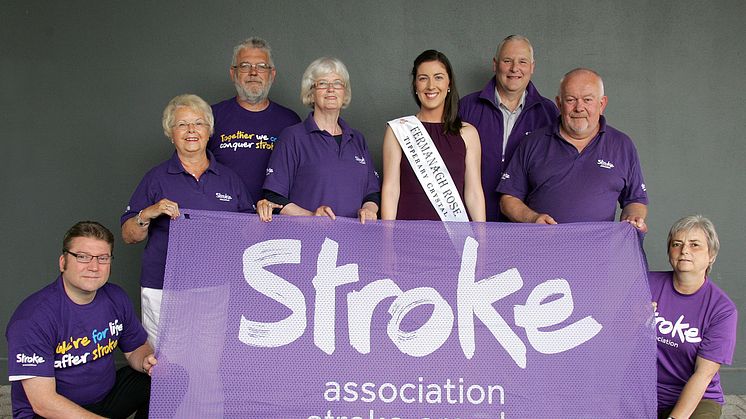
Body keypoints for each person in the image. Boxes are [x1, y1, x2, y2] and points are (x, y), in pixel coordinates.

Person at [121, 94, 254, 345]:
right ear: (170, 133)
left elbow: (249, 232)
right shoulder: (156, 178)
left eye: (198, 123)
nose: (191, 130)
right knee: (164, 363)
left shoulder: (228, 178)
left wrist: (265, 215)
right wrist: (148, 213)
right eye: (182, 125)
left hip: (214, 288)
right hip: (163, 287)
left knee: (208, 360)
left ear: (209, 131)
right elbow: (128, 236)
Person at [6, 221, 156, 419]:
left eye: (103, 258)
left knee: (163, 379)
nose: (94, 267)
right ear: (63, 262)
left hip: (104, 400)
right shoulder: (33, 318)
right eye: (83, 257)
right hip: (49, 413)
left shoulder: (116, 297)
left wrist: (146, 361)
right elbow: (44, 404)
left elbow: (136, 348)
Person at [497, 68, 648, 231]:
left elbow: (635, 200)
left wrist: (633, 218)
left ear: (602, 104)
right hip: (541, 251)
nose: (579, 107)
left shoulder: (622, 145)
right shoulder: (532, 142)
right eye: (571, 100)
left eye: (588, 100)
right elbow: (508, 199)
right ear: (559, 103)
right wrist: (533, 218)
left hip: (599, 253)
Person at [258, 57, 380, 223]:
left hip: (354, 242)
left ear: (345, 93)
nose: (331, 89)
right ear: (311, 93)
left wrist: (369, 209)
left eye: (337, 83)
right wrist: (311, 216)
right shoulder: (293, 137)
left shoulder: (357, 139)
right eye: (322, 83)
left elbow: (372, 192)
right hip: (308, 242)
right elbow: (274, 197)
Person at [459, 35, 558, 221]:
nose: (515, 68)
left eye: (522, 61)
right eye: (507, 61)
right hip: (472, 220)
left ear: (532, 67)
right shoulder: (466, 108)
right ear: (495, 64)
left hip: (526, 225)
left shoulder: (548, 113)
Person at [381, 49, 485, 221]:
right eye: (423, 78)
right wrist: (387, 240)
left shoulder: (468, 133)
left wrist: (482, 238)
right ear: (415, 85)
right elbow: (391, 190)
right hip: (407, 236)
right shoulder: (398, 130)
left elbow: (474, 193)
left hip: (454, 239)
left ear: (449, 83)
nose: (431, 86)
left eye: (438, 77)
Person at [649, 215, 737, 419]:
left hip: (698, 398)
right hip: (643, 391)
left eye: (695, 245)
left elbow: (703, 374)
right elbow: (615, 338)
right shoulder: (647, 283)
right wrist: (632, 320)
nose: (684, 250)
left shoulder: (722, 310)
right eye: (677, 244)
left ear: (711, 255)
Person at [208, 37, 301, 201]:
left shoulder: (290, 121)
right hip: (224, 218)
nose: (253, 72)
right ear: (233, 73)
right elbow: (188, 166)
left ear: (272, 74)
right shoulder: (211, 116)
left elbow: (303, 175)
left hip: (276, 220)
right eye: (245, 66)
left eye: (262, 66)